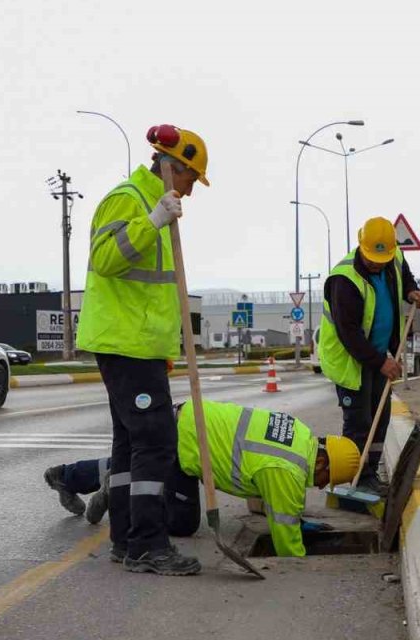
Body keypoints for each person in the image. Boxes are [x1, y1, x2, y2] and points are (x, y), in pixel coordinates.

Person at [43, 124, 209, 576]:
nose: (192, 192)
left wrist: (165, 348)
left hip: (140, 347)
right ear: (173, 167)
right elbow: (106, 259)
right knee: (155, 441)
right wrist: (153, 220)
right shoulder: (129, 200)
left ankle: (124, 539)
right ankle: (148, 545)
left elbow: (152, 293)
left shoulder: (155, 204)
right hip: (125, 344)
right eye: (192, 179)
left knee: (129, 446)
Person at [47, 399, 361, 558]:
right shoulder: (288, 470)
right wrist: (299, 549)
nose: (320, 486)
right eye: (325, 478)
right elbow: (287, 543)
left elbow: (260, 490)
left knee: (137, 461)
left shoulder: (300, 434)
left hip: (187, 418)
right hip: (184, 444)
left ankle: (67, 476)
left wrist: (293, 517)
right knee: (182, 524)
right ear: (322, 460)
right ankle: (117, 483)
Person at [315, 217, 420, 493]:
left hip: (378, 355)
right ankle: (352, 477)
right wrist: (381, 362)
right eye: (372, 258)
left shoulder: (393, 256)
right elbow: (349, 333)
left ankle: (370, 473)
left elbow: (404, 275)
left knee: (381, 415)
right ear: (360, 246)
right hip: (350, 359)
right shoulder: (344, 280)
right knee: (359, 422)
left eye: (383, 257)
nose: (378, 263)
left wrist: (412, 291)